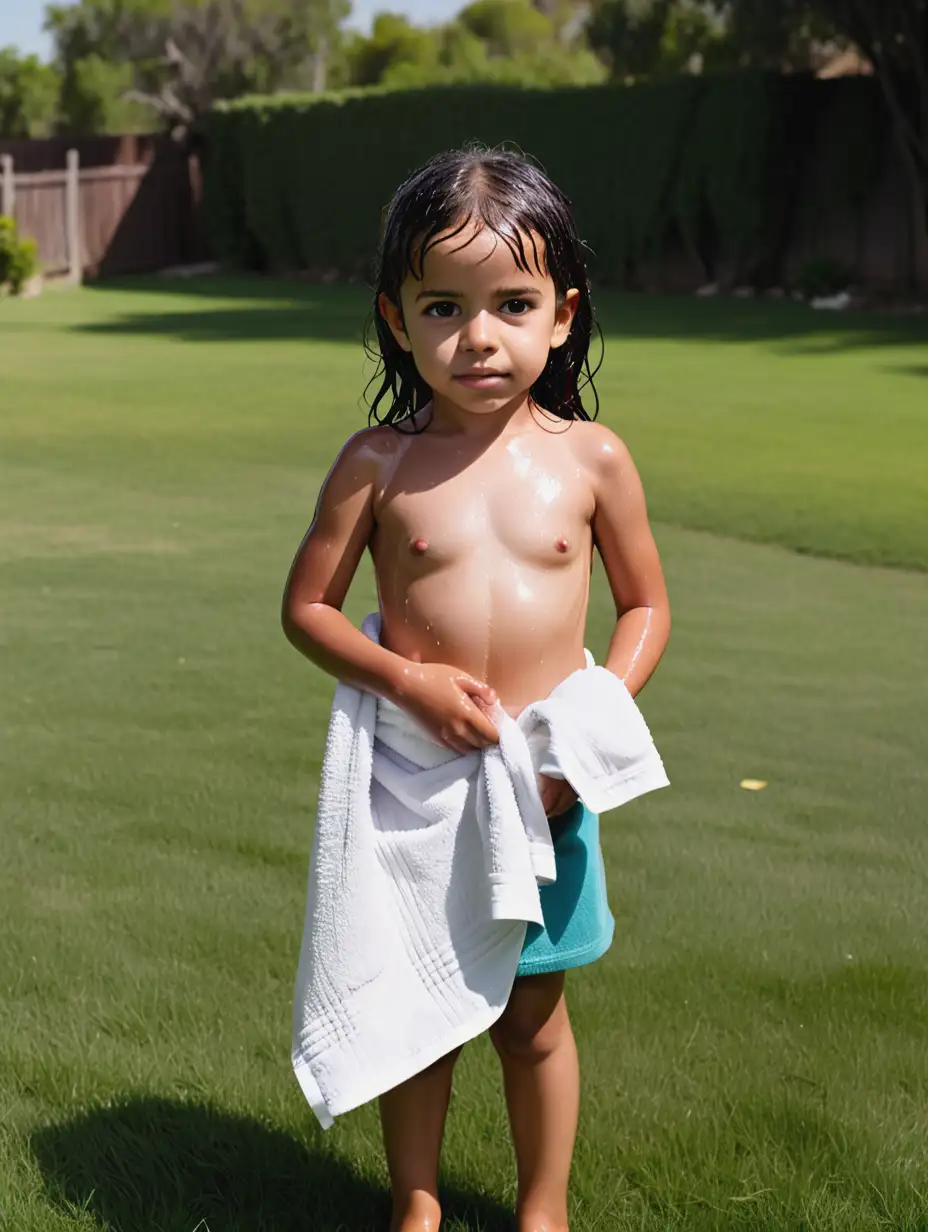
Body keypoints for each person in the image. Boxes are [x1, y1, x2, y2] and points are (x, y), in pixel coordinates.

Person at [281, 146, 671, 1232]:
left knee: (533, 1014)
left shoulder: (591, 459)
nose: (478, 335)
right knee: (421, 1008)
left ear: (562, 314)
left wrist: (584, 730)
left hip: (547, 785)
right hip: (420, 789)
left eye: (512, 303)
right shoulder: (378, 462)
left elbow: (644, 606)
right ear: (396, 318)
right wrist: (405, 680)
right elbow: (305, 607)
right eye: (443, 306)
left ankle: (542, 1210)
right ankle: (418, 1201)